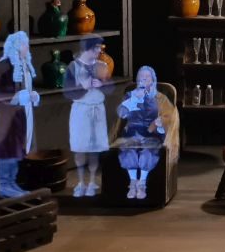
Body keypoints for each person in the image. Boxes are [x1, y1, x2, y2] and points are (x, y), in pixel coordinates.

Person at [0, 31, 39, 198]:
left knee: (16, 149)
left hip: (20, 116)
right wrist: (15, 97)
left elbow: (26, 87)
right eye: (23, 44)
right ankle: (4, 184)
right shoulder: (5, 64)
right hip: (7, 118)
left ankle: (12, 182)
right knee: (7, 149)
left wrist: (32, 96)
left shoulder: (23, 64)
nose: (26, 48)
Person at [110, 66, 180, 200]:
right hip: (132, 132)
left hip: (152, 133)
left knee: (148, 151)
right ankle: (132, 183)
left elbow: (170, 116)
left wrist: (158, 123)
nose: (143, 80)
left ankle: (142, 184)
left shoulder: (160, 98)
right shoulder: (130, 95)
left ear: (152, 80)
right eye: (140, 77)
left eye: (146, 77)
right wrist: (132, 101)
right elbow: (121, 114)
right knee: (127, 149)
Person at [64, 35, 113, 197]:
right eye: (97, 48)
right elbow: (67, 92)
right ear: (88, 48)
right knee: (80, 146)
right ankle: (80, 182)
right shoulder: (73, 66)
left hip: (97, 109)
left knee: (94, 147)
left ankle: (92, 181)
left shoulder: (102, 65)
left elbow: (110, 88)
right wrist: (84, 86)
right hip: (81, 110)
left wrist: (103, 84)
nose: (99, 51)